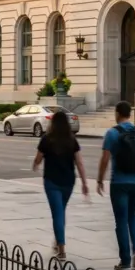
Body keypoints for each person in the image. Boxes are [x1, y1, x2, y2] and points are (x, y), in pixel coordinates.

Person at [97, 101, 135, 270]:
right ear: (130, 114)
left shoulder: (112, 133)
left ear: (117, 113)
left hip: (119, 181)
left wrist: (99, 180)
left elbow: (105, 159)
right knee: (132, 216)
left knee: (120, 220)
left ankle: (125, 261)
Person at [33, 111, 89, 261]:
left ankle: (62, 249)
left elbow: (38, 158)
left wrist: (36, 164)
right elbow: (80, 163)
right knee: (61, 211)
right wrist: (84, 182)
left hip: (51, 181)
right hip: (68, 181)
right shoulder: (72, 140)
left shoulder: (46, 139)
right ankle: (58, 241)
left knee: (57, 213)